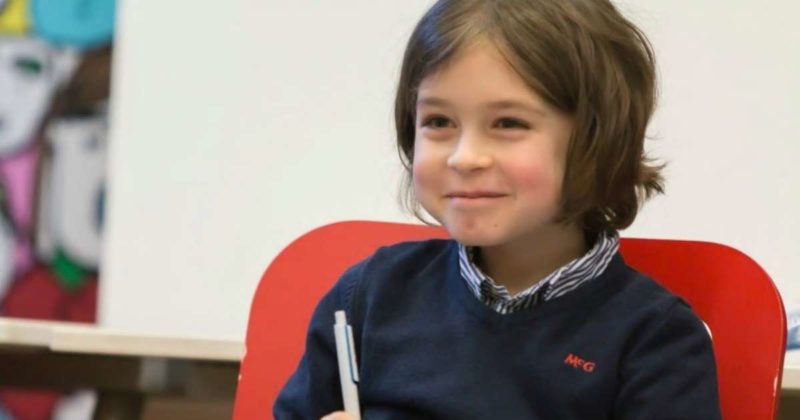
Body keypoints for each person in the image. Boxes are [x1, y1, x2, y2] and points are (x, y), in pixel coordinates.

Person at [274, 0, 721, 419]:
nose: (465, 157)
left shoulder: (657, 341)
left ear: (598, 141)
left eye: (508, 123)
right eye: (439, 122)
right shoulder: (370, 295)